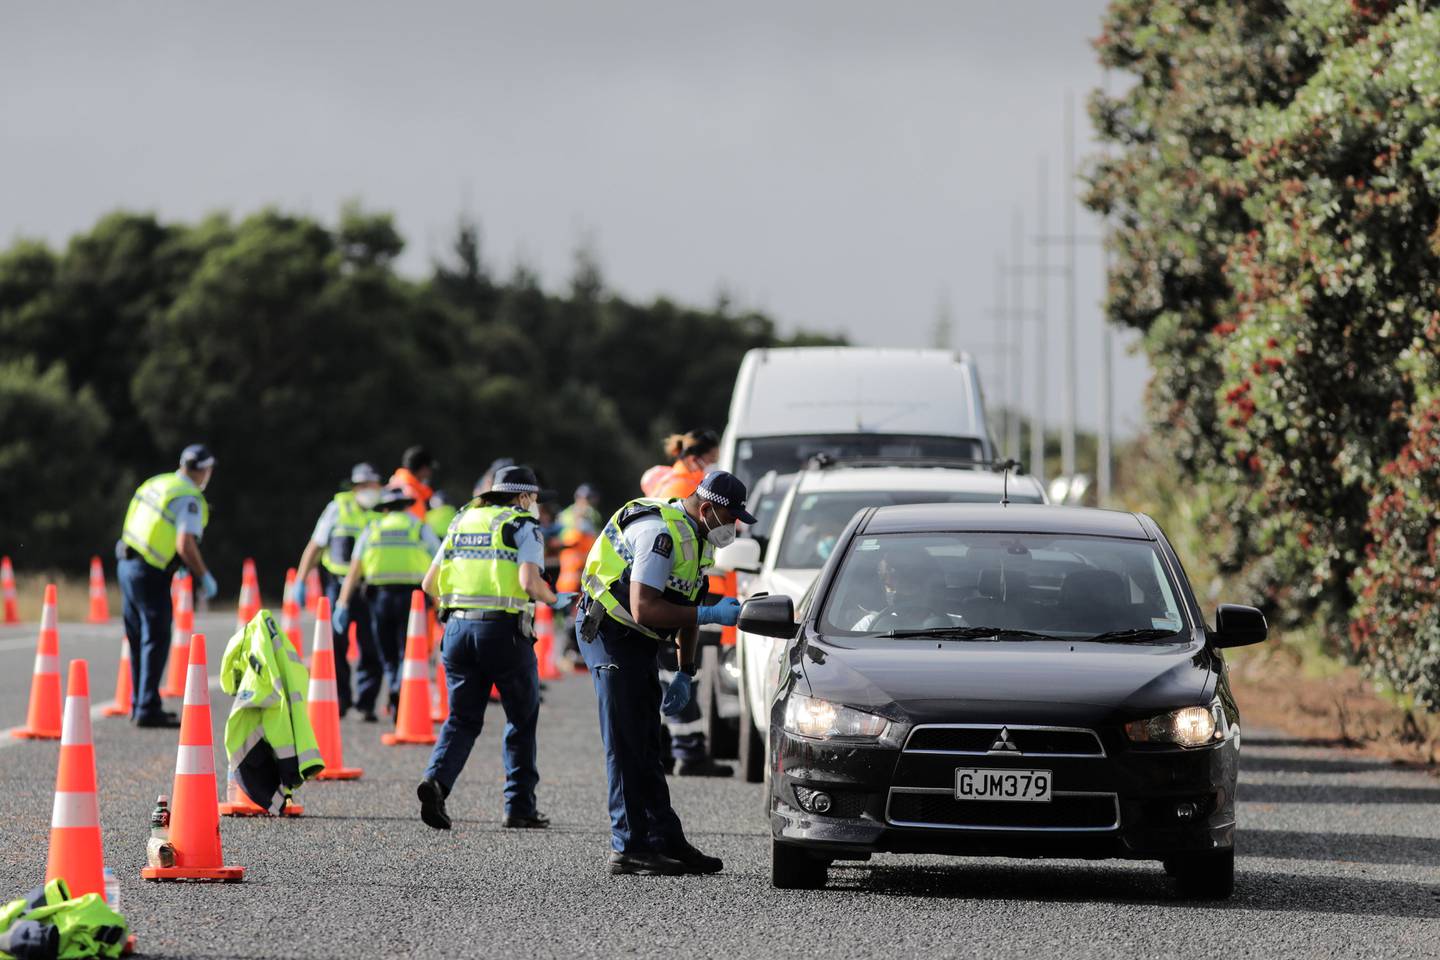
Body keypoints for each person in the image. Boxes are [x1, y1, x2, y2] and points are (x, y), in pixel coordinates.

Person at [574, 471, 752, 875]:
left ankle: (664, 838)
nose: (734, 526)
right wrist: (710, 614)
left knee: (647, 741)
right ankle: (629, 847)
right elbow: (645, 608)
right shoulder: (661, 535)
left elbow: (690, 603)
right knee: (624, 742)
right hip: (609, 632)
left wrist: (686, 671)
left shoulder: (699, 536)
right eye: (731, 517)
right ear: (707, 509)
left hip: (637, 637)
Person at [415, 465, 561, 831]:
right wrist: (553, 598)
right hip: (504, 633)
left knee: (462, 719)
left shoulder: (463, 520)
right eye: (536, 499)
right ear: (523, 496)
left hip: (458, 630)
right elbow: (530, 582)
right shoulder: (522, 526)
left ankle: (436, 782)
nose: (537, 506)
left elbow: (429, 584)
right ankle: (519, 807)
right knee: (521, 719)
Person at [116, 444, 218, 728]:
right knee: (156, 637)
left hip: (126, 560)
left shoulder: (159, 483)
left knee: (137, 637)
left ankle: (139, 703)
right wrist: (203, 574)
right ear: (204, 471)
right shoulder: (189, 498)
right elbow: (184, 542)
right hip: (149, 572)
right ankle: (147, 707)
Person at [333, 486, 442, 718]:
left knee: (387, 651)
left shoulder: (372, 528)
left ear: (384, 508)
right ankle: (398, 692)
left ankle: (394, 686)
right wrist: (442, 601)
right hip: (413, 599)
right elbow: (440, 560)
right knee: (409, 650)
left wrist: (342, 603)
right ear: (407, 505)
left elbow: (354, 570)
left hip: (379, 598)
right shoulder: (417, 527)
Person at [294, 463, 382, 719]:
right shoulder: (337, 509)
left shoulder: (382, 511)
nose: (369, 491)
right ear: (355, 488)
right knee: (335, 644)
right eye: (364, 486)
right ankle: (341, 699)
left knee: (370, 645)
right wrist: (300, 579)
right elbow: (316, 546)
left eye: (373, 485)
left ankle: (366, 703)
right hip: (338, 584)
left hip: (370, 588)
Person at [649, 429, 720, 500]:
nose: (714, 463)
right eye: (712, 459)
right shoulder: (681, 487)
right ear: (693, 459)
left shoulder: (677, 477)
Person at [390, 446, 437, 522]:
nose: (430, 474)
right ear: (423, 469)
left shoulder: (394, 486)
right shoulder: (411, 495)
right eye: (429, 469)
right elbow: (419, 527)